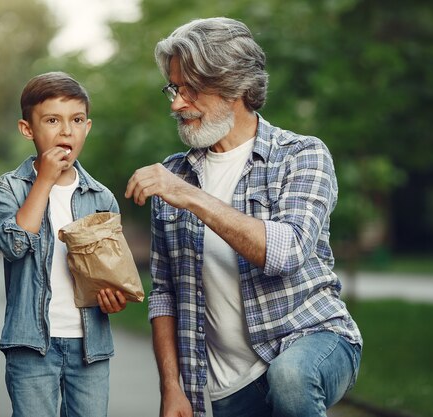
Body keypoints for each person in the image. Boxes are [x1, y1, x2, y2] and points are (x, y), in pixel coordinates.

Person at [125, 17, 362, 417]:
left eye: (190, 90)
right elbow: (164, 292)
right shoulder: (173, 175)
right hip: (220, 386)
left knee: (290, 378)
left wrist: (189, 196)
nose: (176, 104)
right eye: (174, 87)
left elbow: (285, 252)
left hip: (310, 338)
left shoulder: (301, 155)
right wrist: (172, 387)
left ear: (234, 86)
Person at [0, 71, 127, 417]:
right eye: (52, 120)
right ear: (27, 129)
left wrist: (114, 298)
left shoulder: (101, 197)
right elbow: (14, 246)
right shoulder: (10, 189)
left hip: (90, 347)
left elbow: (113, 272)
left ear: (87, 127)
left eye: (76, 120)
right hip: (32, 345)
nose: (66, 131)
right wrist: (44, 182)